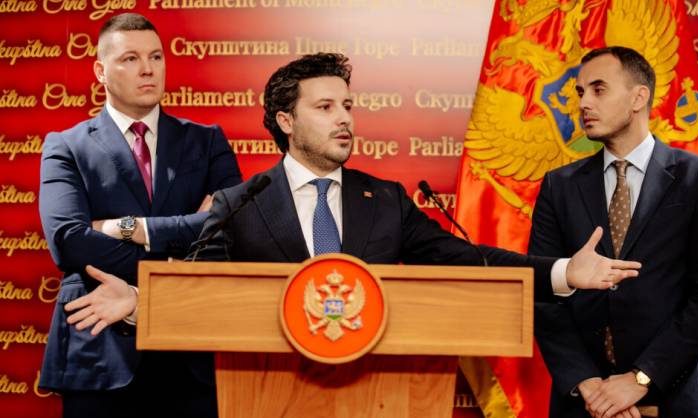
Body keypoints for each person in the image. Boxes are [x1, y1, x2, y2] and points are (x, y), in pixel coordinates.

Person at [188, 52, 640, 297]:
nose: (344, 118)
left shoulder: (386, 200)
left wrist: (563, 271)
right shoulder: (240, 203)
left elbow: (467, 259)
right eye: (325, 107)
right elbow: (195, 295)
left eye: (347, 106)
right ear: (286, 122)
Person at [37, 13, 242, 418]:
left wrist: (130, 229)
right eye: (130, 58)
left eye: (156, 57)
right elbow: (69, 242)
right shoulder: (66, 146)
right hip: (98, 349)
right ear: (100, 71)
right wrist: (176, 256)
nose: (148, 69)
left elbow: (233, 228)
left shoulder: (207, 140)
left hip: (190, 352)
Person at [529, 46, 698, 418]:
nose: (583, 103)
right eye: (581, 92)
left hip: (674, 400)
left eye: (599, 90)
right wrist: (588, 384)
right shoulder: (558, 186)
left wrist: (641, 378)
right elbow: (542, 292)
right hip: (583, 404)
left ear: (639, 97)